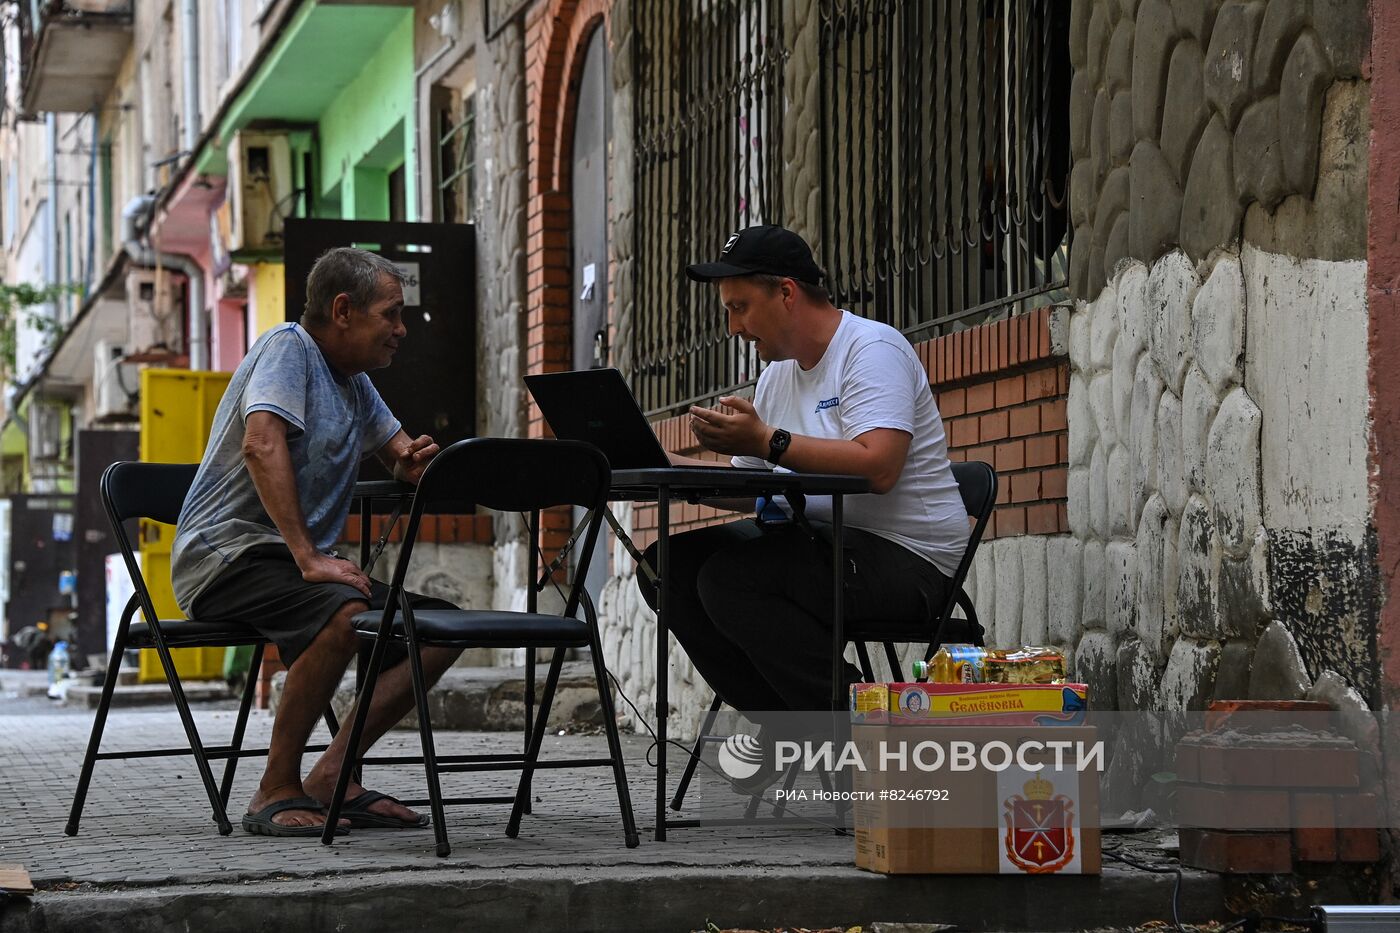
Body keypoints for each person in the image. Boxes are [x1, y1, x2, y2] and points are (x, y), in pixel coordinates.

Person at [172, 247, 460, 837]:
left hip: (286, 564)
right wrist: (308, 556)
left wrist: (412, 461)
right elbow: (261, 443)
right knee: (344, 615)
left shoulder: (351, 381)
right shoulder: (290, 349)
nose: (401, 330)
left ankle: (332, 775)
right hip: (223, 556)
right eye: (392, 314)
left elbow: (397, 451)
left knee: (436, 630)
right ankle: (274, 787)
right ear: (343, 309)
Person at [636, 224, 972, 725]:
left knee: (732, 579)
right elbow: (751, 487)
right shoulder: (777, 375)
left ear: (786, 292)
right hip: (823, 544)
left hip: (910, 560)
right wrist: (661, 466)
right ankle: (784, 725)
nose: (733, 328)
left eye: (739, 308)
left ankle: (852, 725)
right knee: (664, 566)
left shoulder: (872, 350)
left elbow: (879, 466)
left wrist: (768, 441)